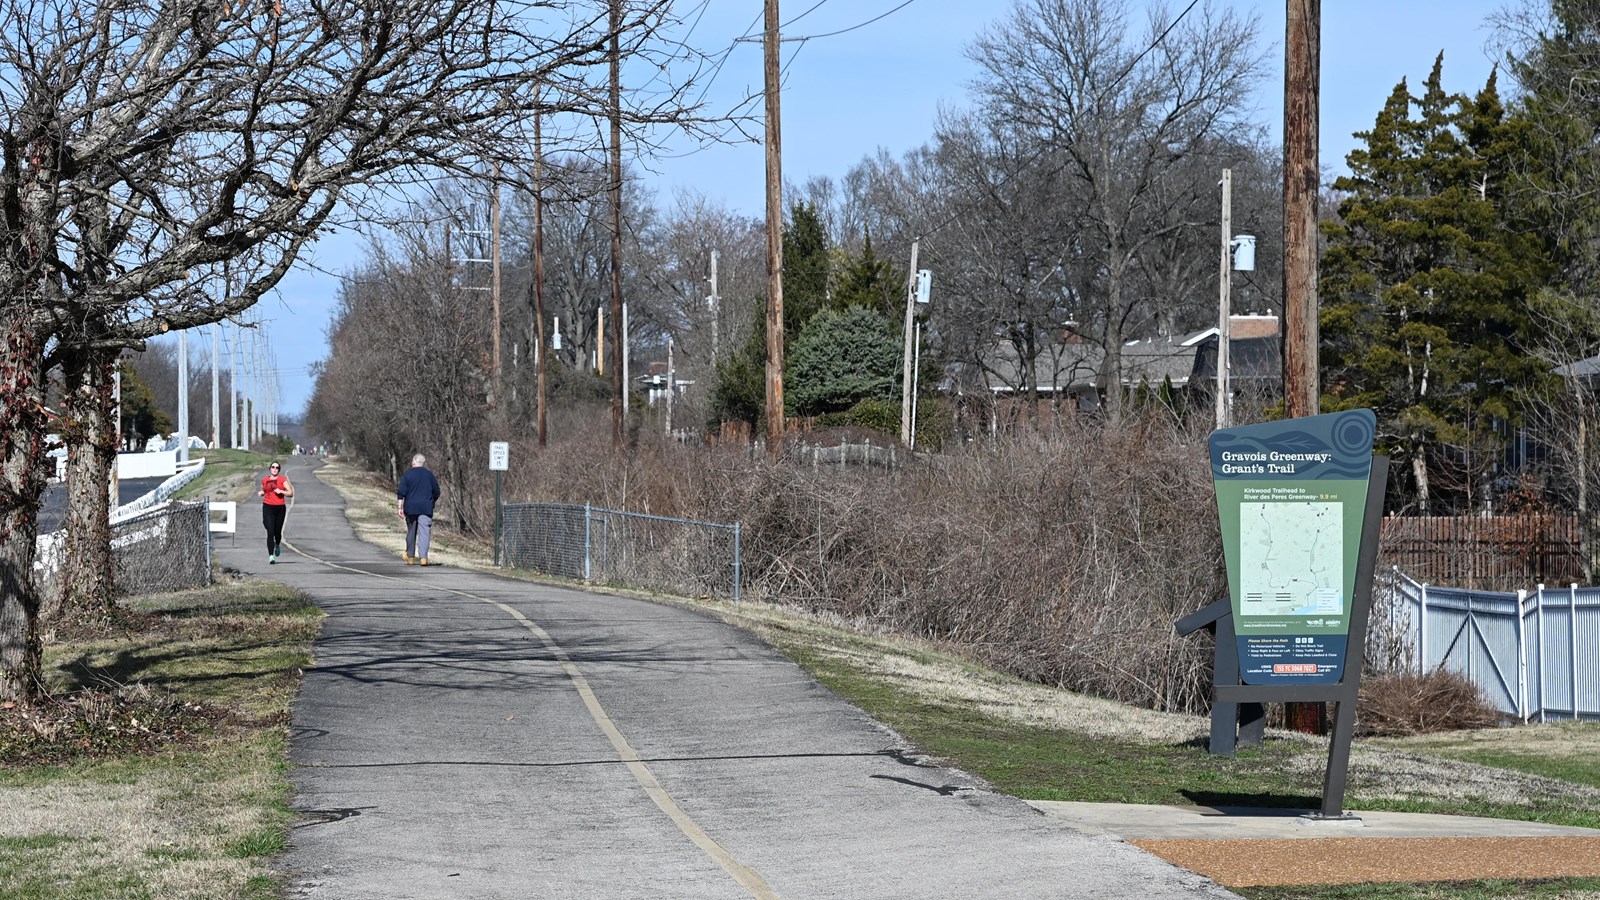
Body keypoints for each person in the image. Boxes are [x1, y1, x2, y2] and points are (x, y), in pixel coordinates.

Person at [396, 453, 441, 566]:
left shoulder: (407, 475)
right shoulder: (429, 475)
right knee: (424, 532)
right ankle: (423, 558)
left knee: (411, 531)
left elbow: (401, 493)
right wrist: (431, 501)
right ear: (423, 463)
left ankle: (410, 557)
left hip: (411, 507)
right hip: (426, 507)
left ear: (413, 462)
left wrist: (400, 508)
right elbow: (437, 492)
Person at [258, 461, 294, 563]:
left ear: (279, 470)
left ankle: (277, 544)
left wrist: (281, 491)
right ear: (270, 468)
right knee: (270, 532)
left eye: (277, 467)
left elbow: (290, 493)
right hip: (268, 506)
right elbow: (265, 490)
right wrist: (261, 492)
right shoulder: (265, 480)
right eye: (273, 467)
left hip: (279, 508)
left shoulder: (282, 480)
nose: (275, 469)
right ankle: (271, 556)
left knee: (277, 533)